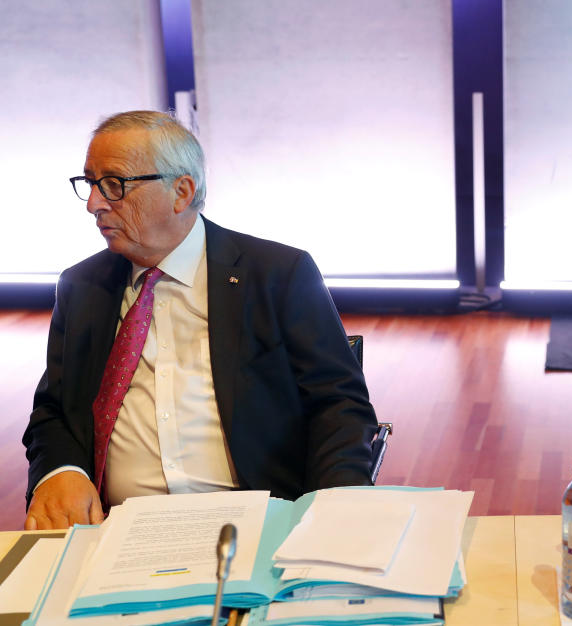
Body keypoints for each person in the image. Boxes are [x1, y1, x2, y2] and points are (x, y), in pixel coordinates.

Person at [23, 110, 377, 529]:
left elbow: (339, 405)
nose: (94, 204)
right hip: (117, 526)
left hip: (259, 520)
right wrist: (63, 471)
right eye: (90, 183)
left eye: (114, 184)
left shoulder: (277, 274)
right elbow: (53, 411)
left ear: (182, 192)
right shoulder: (83, 287)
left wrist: (328, 514)